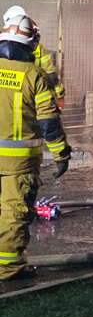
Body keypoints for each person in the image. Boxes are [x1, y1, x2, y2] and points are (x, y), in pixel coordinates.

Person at [0, 14, 70, 281]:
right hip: (19, 163)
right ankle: (8, 269)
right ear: (30, 43)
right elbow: (49, 122)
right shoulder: (34, 76)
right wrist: (61, 155)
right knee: (14, 213)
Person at [2, 6, 66, 109]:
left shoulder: (2, 46)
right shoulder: (37, 46)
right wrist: (60, 94)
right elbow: (50, 72)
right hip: (34, 95)